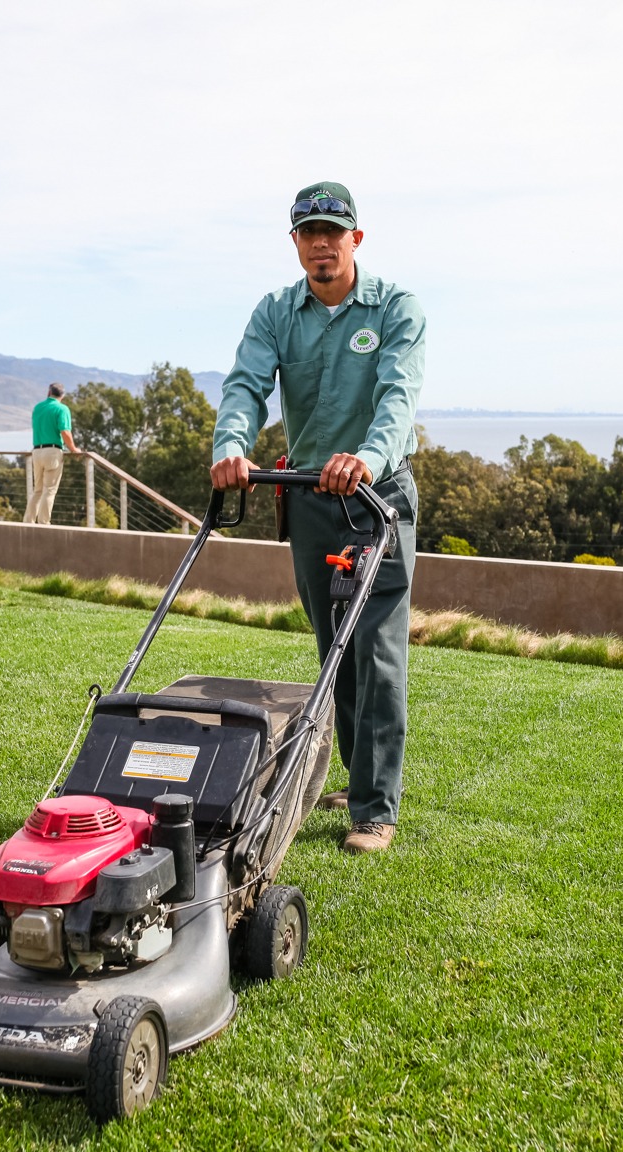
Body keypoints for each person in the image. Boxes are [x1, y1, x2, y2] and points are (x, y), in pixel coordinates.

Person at [210, 181, 425, 854]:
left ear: (355, 238)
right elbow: (245, 386)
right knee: (335, 647)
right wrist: (231, 446)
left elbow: (397, 396)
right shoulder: (277, 312)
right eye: (309, 233)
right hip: (307, 496)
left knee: (378, 647)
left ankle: (375, 809)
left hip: (377, 499)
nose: (322, 244)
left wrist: (366, 457)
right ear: (296, 242)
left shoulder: (395, 308)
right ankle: (358, 778)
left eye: (334, 232)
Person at [23, 382, 78, 524]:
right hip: (52, 452)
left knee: (38, 490)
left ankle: (28, 522)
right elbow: (65, 431)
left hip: (37, 451)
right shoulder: (62, 409)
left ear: (49, 392)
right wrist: (73, 449)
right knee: (49, 490)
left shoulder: (38, 408)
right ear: (63, 395)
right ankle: (43, 524)